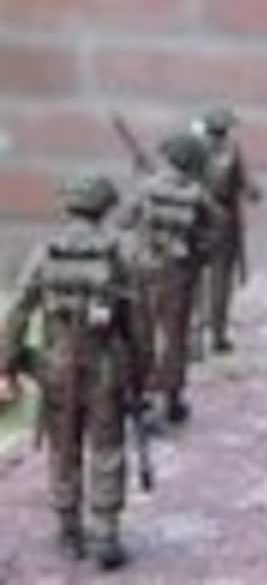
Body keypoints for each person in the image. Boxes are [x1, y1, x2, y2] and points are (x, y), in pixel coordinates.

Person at [1, 175, 151, 570]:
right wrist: (141, 372)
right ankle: (106, 532)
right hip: (105, 369)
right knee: (107, 447)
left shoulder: (45, 252)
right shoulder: (120, 254)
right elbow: (139, 322)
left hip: (56, 367)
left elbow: (18, 311)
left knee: (62, 448)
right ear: (105, 208)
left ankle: (68, 526)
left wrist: (7, 364)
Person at [123, 132, 222, 424]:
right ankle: (172, 397)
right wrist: (199, 253)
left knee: (141, 331)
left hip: (143, 268)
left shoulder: (147, 188)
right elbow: (217, 228)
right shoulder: (197, 194)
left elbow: (123, 220)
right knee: (174, 335)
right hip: (178, 271)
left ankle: (139, 392)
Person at [192, 107, 262, 354]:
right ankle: (207, 336)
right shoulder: (223, 151)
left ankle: (209, 336)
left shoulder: (214, 149)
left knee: (209, 282)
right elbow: (247, 185)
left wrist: (252, 191)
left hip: (209, 220)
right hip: (210, 219)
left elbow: (245, 182)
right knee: (210, 282)